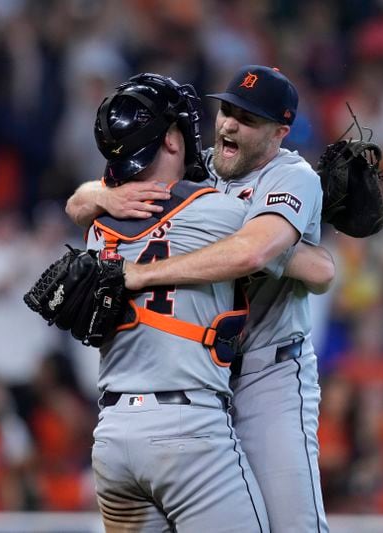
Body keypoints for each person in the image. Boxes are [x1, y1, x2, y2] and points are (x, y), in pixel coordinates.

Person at [67, 65, 334, 531]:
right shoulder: (203, 167)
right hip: (202, 373)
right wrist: (104, 196)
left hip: (267, 371)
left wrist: (140, 274)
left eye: (247, 119)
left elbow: (303, 265)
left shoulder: (293, 176)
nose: (229, 124)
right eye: (226, 111)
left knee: (293, 526)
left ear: (280, 133)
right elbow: (77, 203)